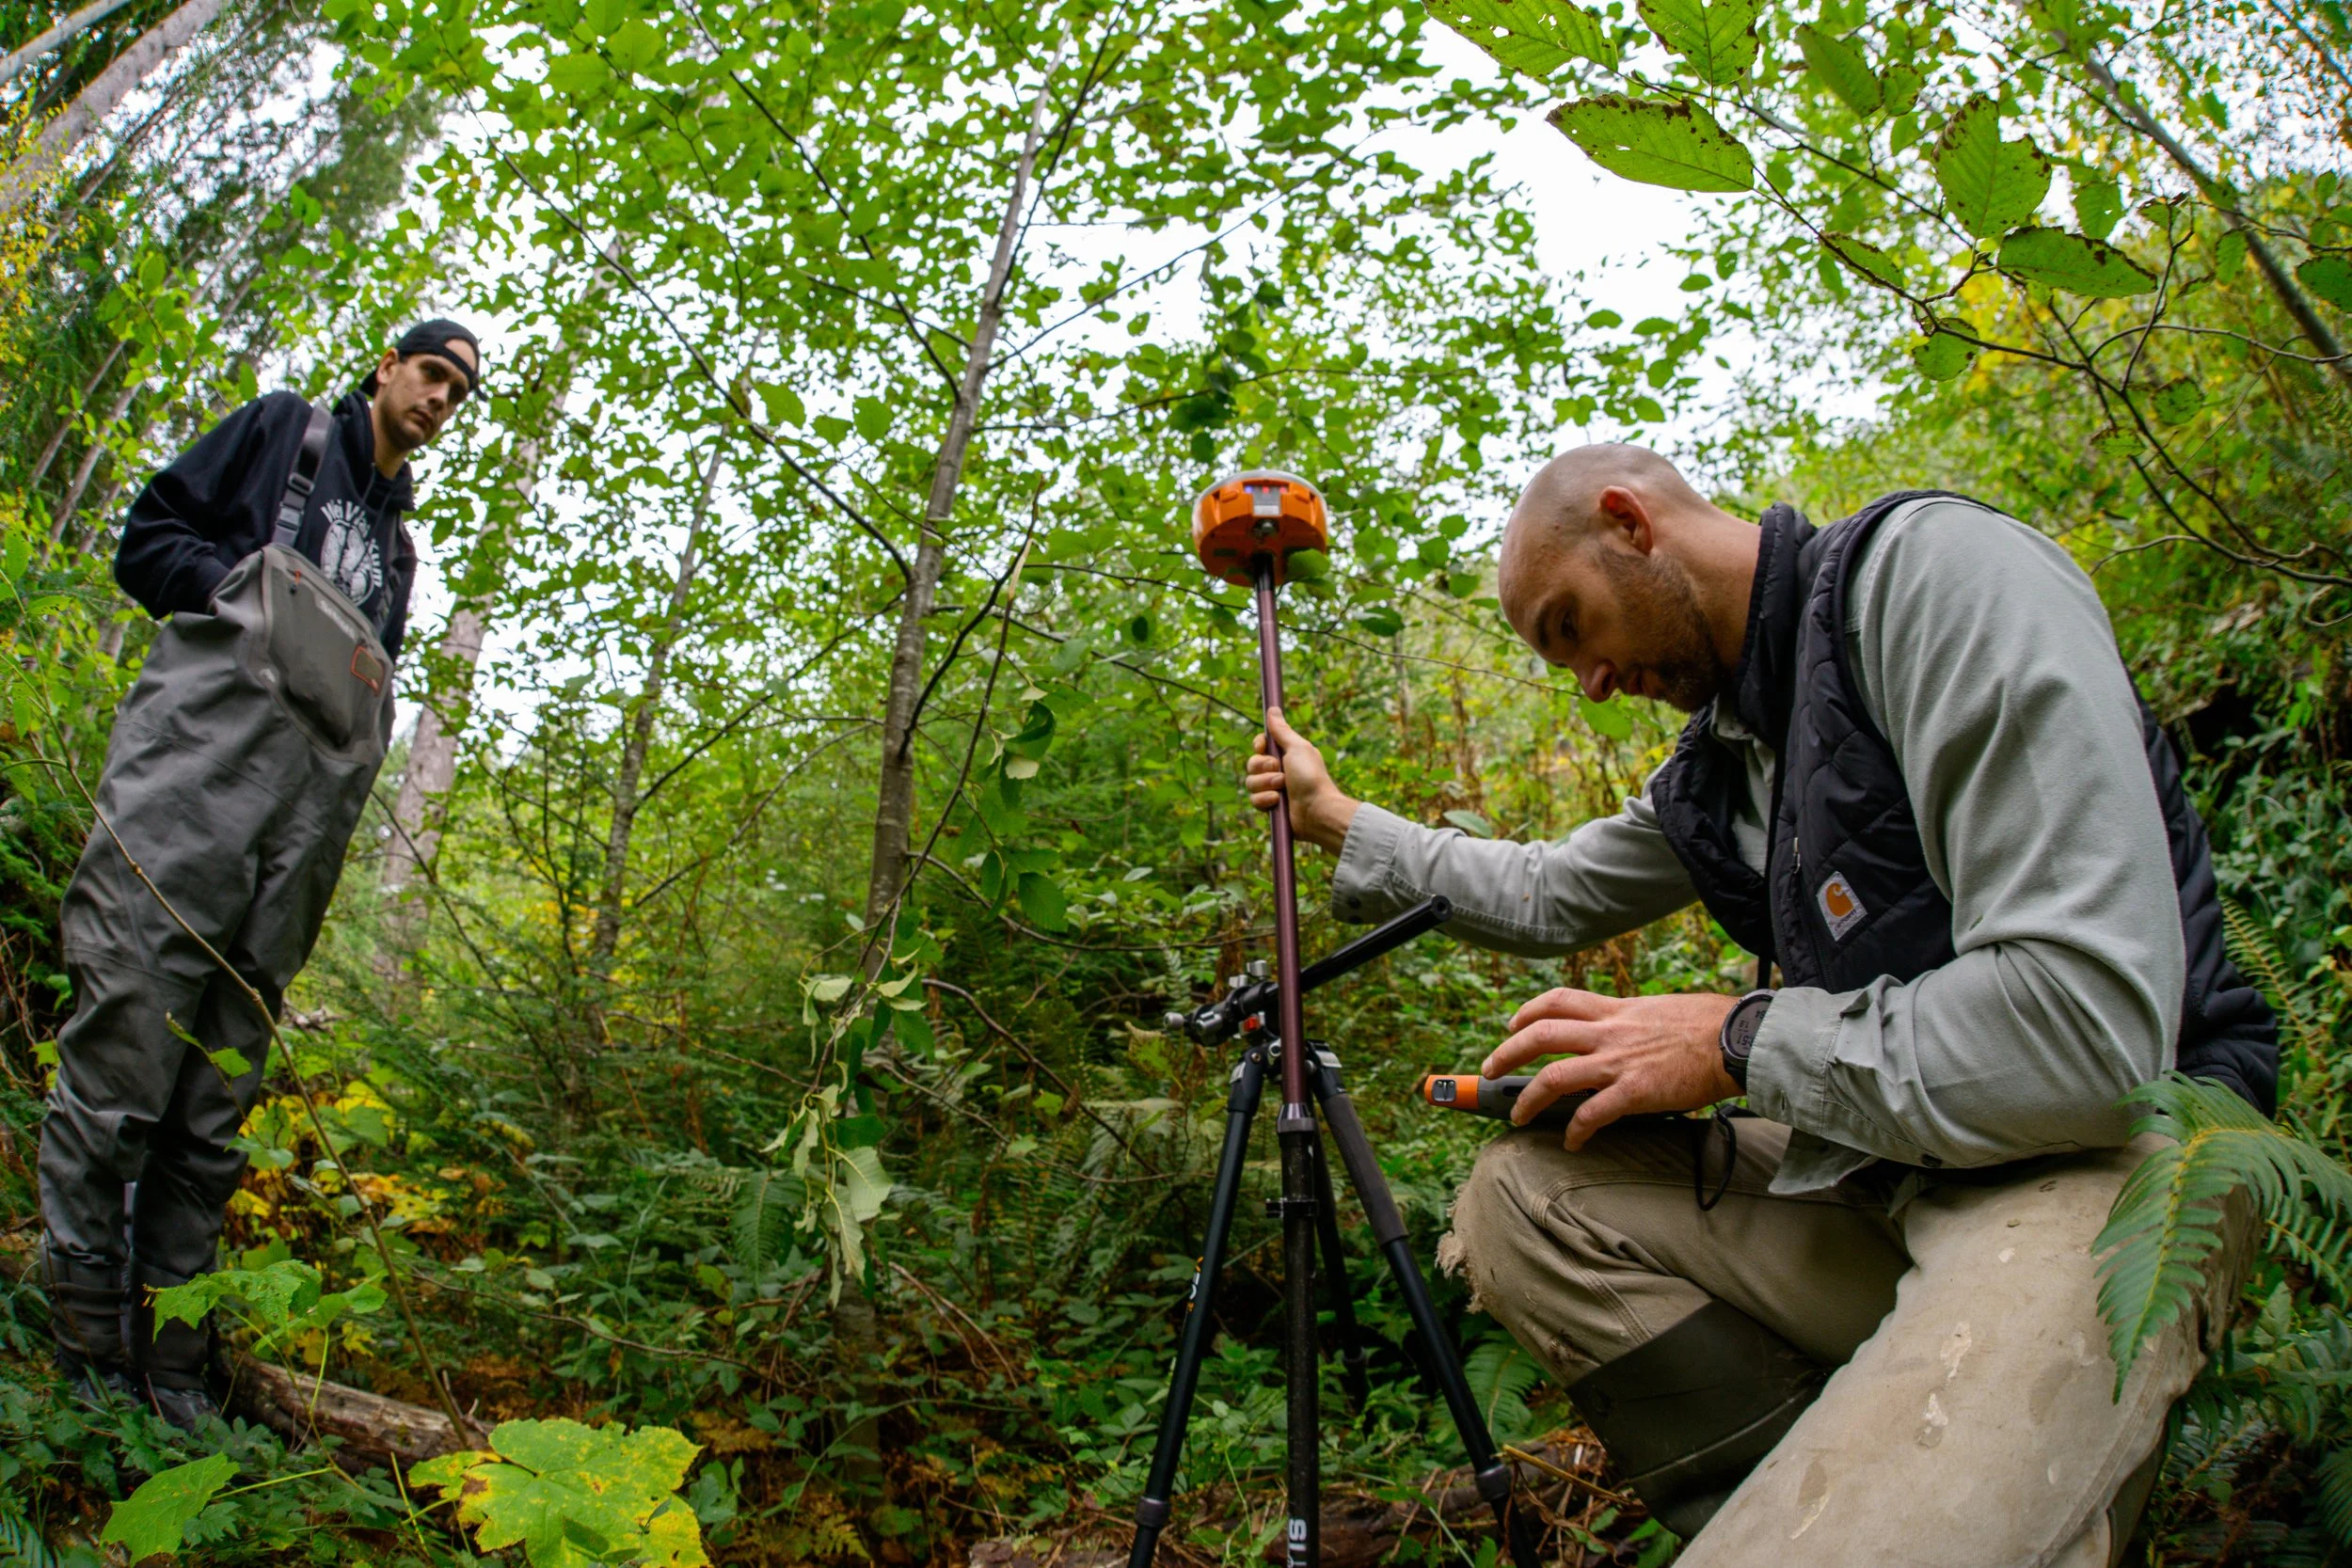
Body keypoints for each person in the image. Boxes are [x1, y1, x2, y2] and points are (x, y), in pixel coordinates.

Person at [1245, 445, 2277, 1564]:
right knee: (1523, 1199)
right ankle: (1834, 1478)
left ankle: (1935, 1492)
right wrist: (1340, 817)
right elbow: (1551, 888)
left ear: (1631, 524)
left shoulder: (1931, 580)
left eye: (1570, 624)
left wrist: (1735, 1038)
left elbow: (2088, 1038)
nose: (1586, 679)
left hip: (2117, 1163)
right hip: (1899, 1164)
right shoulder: (1728, 759)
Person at [39, 319, 481, 1429]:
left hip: (297, 834)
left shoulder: (401, 553)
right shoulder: (286, 433)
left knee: (218, 1081)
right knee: (129, 1037)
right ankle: (84, 1338)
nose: (440, 398)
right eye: (432, 372)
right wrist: (234, 587)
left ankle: (174, 1365)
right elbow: (146, 539)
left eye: (460, 392)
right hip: (192, 784)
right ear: (388, 365)